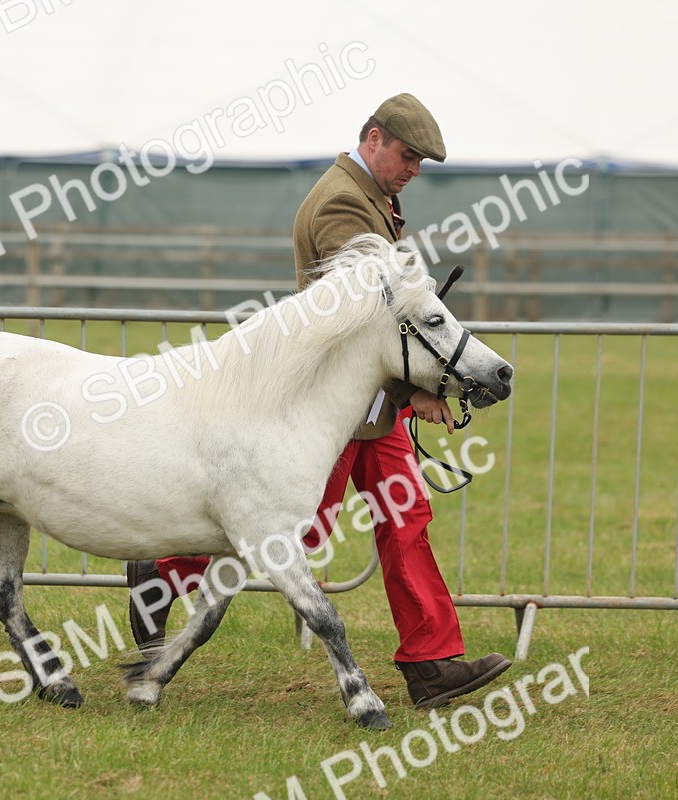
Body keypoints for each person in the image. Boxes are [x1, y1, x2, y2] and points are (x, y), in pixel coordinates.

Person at [126, 94, 511, 710]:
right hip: (337, 406)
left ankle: (431, 664)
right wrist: (416, 390)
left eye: (420, 162)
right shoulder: (340, 203)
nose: (414, 169)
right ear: (374, 137)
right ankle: (167, 569)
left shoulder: (372, 198)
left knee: (405, 520)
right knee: (295, 532)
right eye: (408, 156)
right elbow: (357, 321)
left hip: (371, 408)